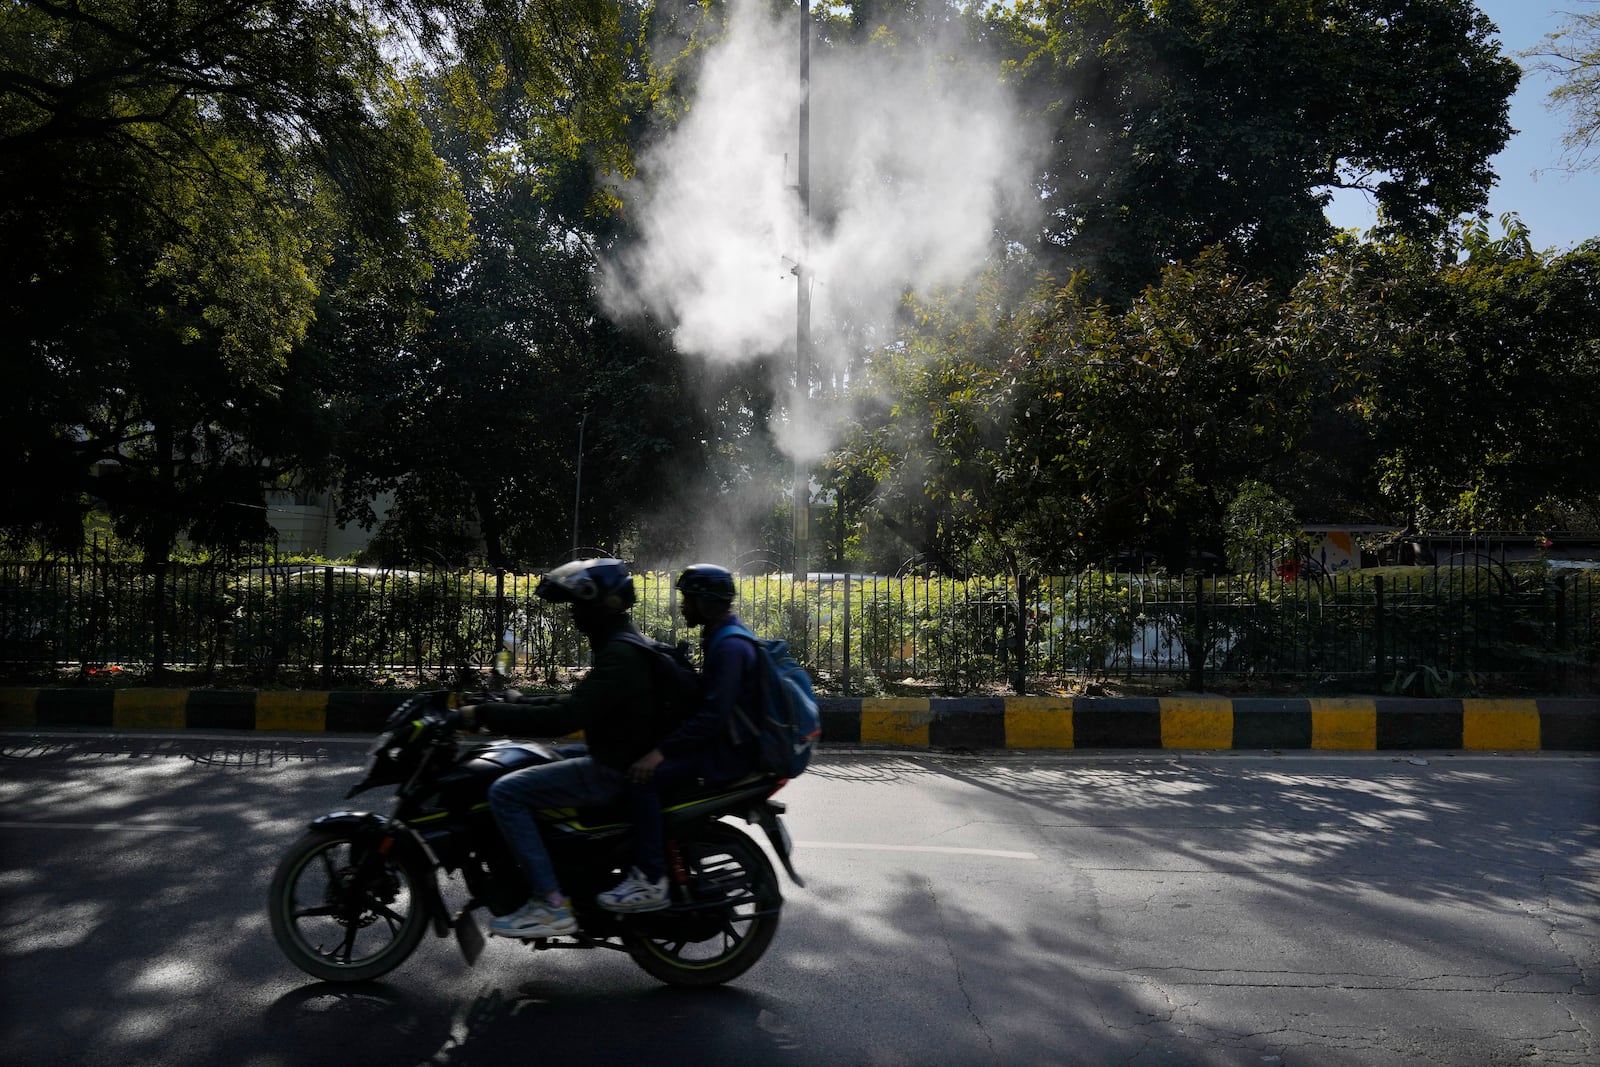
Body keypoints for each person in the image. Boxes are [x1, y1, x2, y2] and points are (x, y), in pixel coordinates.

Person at [455, 558, 661, 940]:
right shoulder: (621, 645)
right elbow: (578, 702)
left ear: (600, 605)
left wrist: (484, 713)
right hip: (612, 755)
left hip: (612, 768)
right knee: (533, 760)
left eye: (578, 605)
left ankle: (550, 903)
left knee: (506, 792)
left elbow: (566, 718)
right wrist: (516, 703)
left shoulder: (619, 655)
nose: (573, 615)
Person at [596, 563, 762, 913]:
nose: (683, 606)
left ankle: (650, 878)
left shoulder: (730, 646)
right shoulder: (721, 634)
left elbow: (712, 718)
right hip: (722, 745)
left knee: (643, 778)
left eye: (688, 599)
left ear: (706, 602)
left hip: (727, 755)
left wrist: (660, 752)